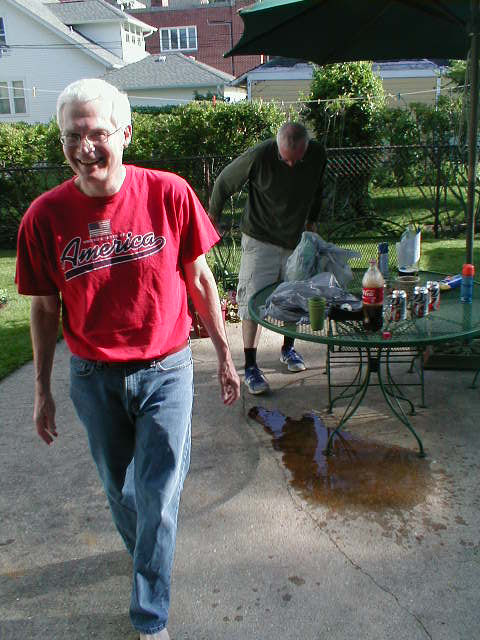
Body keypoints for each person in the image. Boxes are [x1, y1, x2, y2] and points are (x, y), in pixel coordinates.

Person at [15, 78, 240, 640]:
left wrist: (224, 353)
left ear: (126, 134)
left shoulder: (168, 193)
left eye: (97, 133)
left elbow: (200, 281)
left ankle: (150, 617)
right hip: (93, 377)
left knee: (156, 497)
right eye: (72, 136)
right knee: (122, 493)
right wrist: (41, 389)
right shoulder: (43, 217)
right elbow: (43, 309)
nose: (84, 148)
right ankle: (149, 555)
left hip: (167, 369)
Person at [209, 122, 326, 395]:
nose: (291, 165)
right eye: (286, 159)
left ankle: (288, 349)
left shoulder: (317, 155)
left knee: (294, 297)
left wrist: (312, 221)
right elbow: (224, 182)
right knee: (252, 302)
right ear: (277, 146)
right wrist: (212, 217)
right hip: (259, 238)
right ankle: (250, 365)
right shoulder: (260, 155)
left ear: (306, 148)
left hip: (295, 239)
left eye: (297, 159)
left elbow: (318, 188)